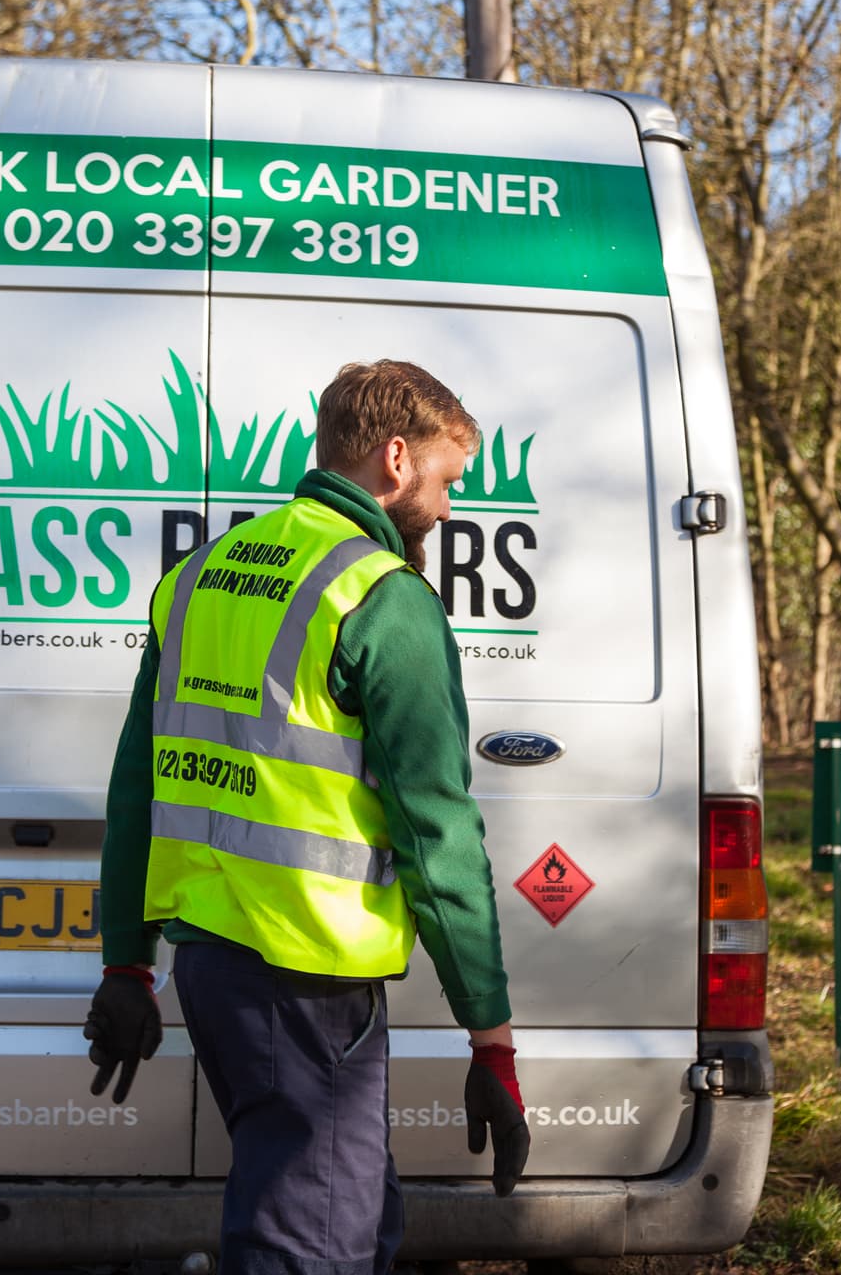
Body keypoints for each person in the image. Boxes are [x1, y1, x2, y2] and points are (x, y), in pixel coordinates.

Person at [82, 359, 530, 1275]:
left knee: (356, 1221)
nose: (448, 512)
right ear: (395, 460)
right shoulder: (383, 599)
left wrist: (129, 960)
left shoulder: (199, 575)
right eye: (447, 482)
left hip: (214, 964)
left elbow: (138, 785)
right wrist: (492, 1040)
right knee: (311, 1243)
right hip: (307, 975)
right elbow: (438, 839)